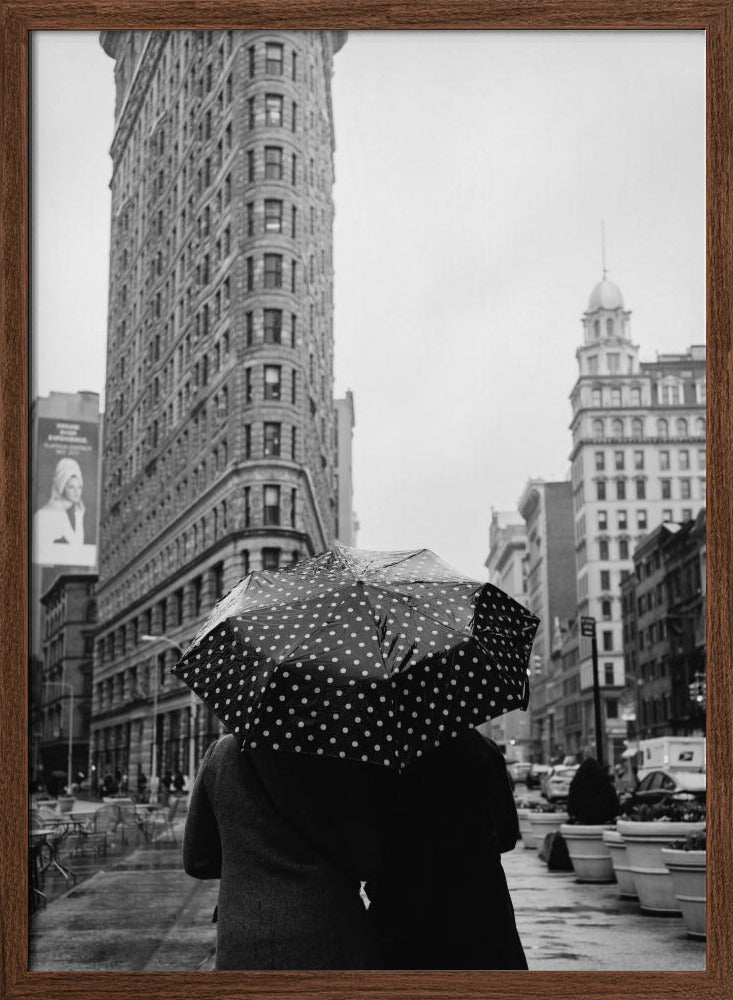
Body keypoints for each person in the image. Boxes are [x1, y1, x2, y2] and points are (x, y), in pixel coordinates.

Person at [183, 734, 385, 970]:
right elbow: (366, 858)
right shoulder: (340, 752)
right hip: (329, 937)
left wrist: (245, 861)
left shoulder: (222, 753)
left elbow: (197, 859)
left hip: (243, 944)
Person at [366, 728, 528, 970]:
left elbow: (366, 848)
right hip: (481, 912)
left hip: (404, 913)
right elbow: (507, 836)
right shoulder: (483, 750)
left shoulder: (384, 756)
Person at [33, 457, 86, 549]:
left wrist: (79, 515)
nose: (77, 492)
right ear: (62, 488)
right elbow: (77, 546)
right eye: (71, 487)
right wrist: (79, 517)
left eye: (79, 487)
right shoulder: (57, 512)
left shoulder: (59, 510)